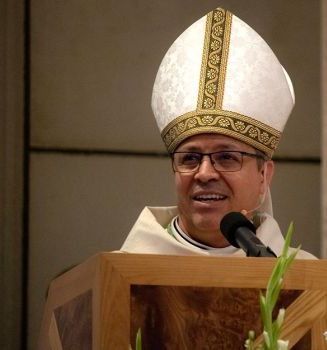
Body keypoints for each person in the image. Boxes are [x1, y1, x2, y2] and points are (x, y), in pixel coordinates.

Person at [120, 7, 315, 259]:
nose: (204, 173)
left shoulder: (304, 279)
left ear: (264, 177)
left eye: (226, 157)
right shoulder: (126, 271)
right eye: (189, 158)